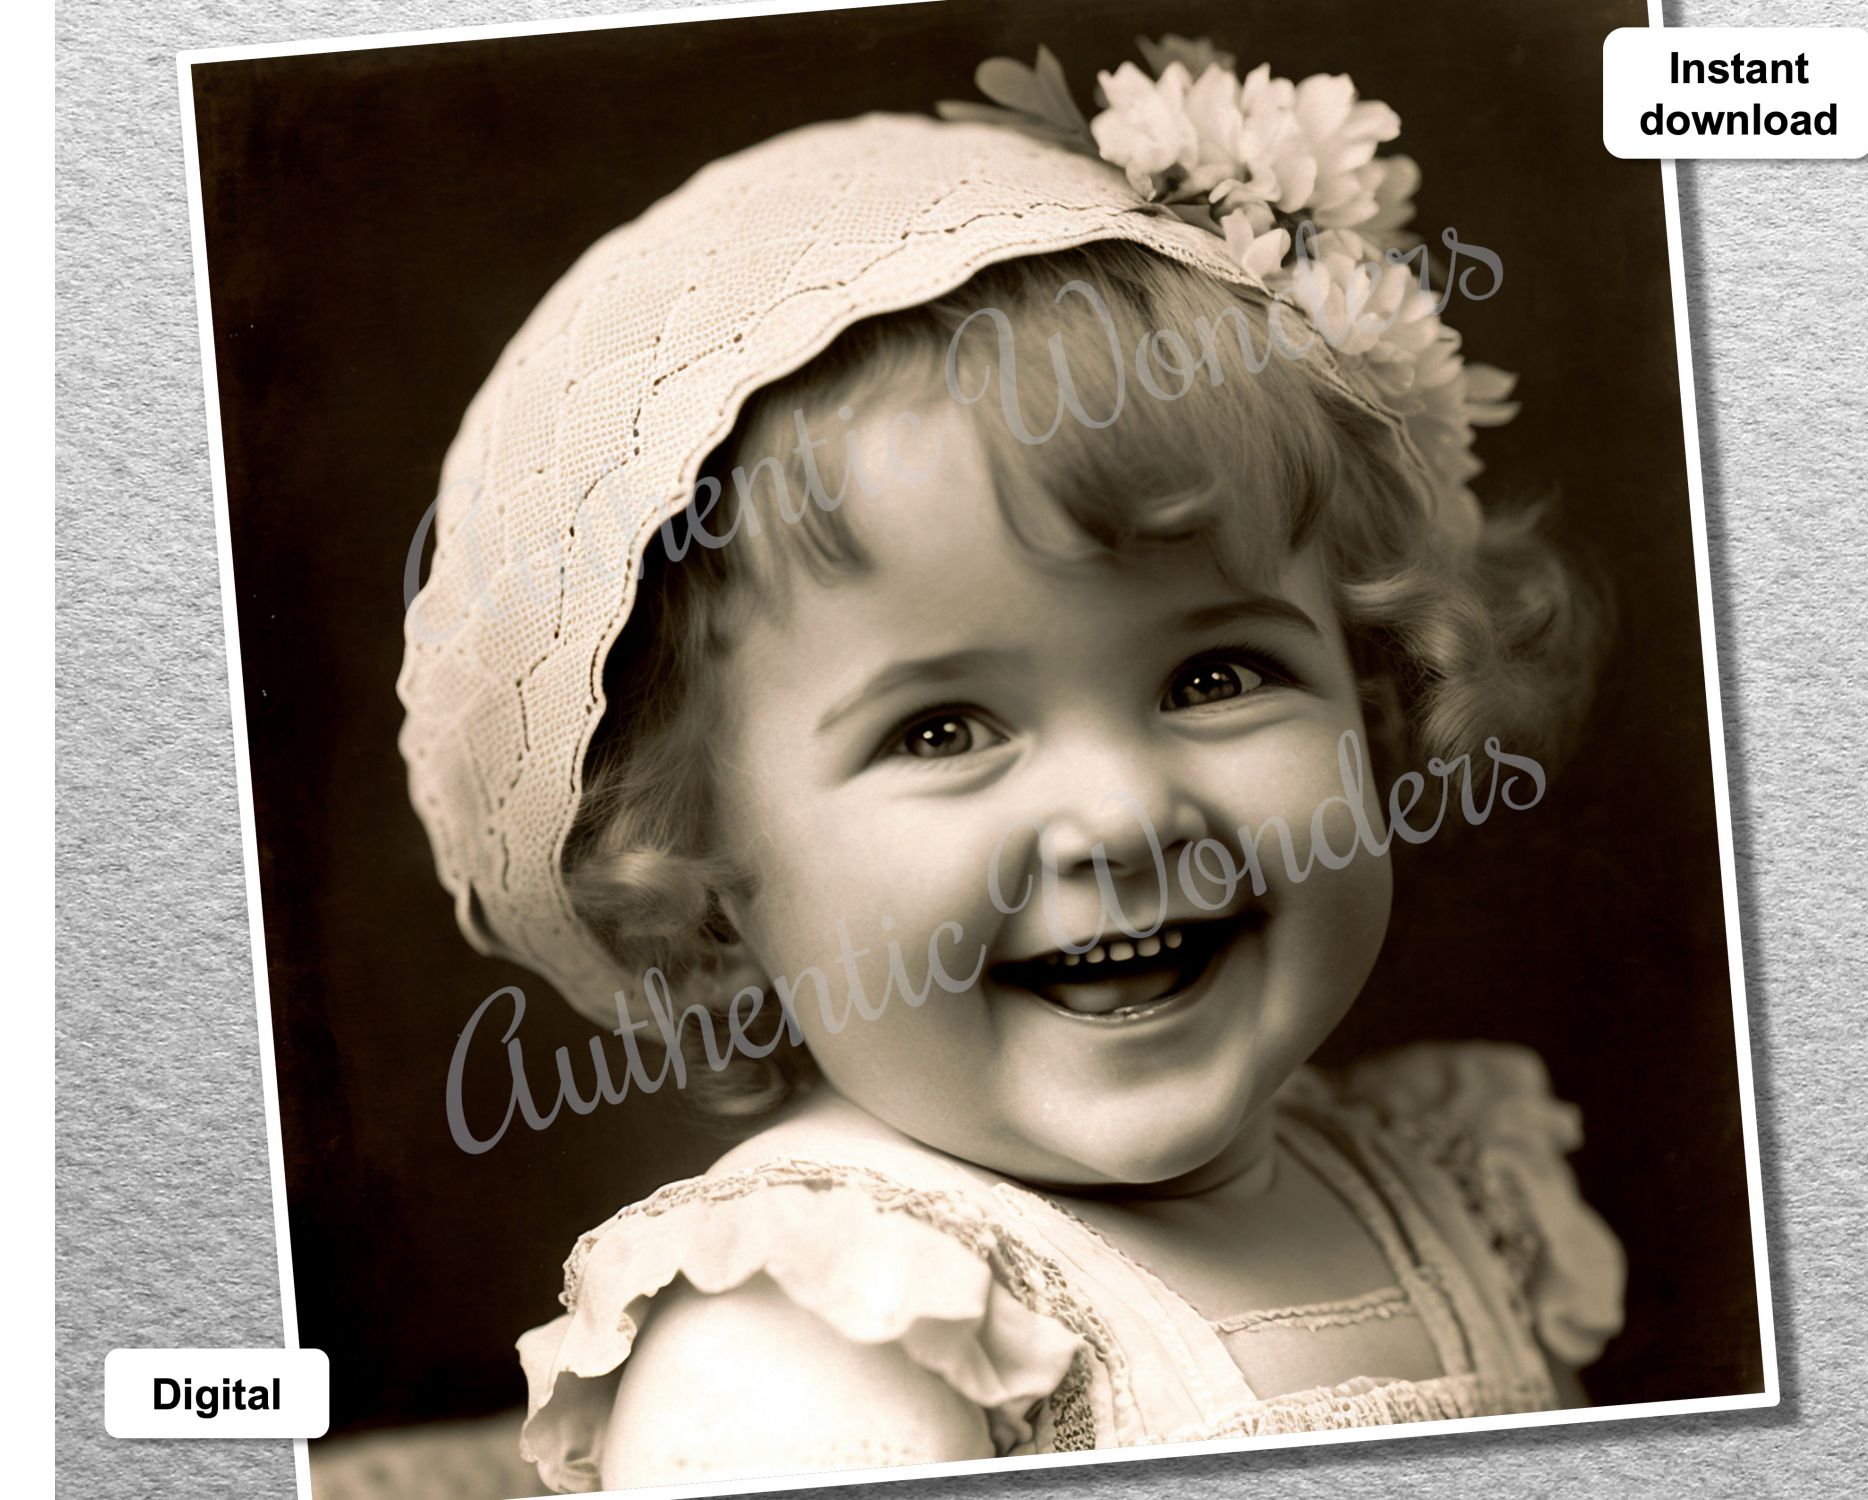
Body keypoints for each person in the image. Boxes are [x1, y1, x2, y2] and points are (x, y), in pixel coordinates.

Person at [397, 39, 1625, 1494]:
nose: (1119, 813)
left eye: (1214, 676)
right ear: (713, 884)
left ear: (1371, 690)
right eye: (943, 730)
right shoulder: (815, 1340)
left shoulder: (1455, 1193)